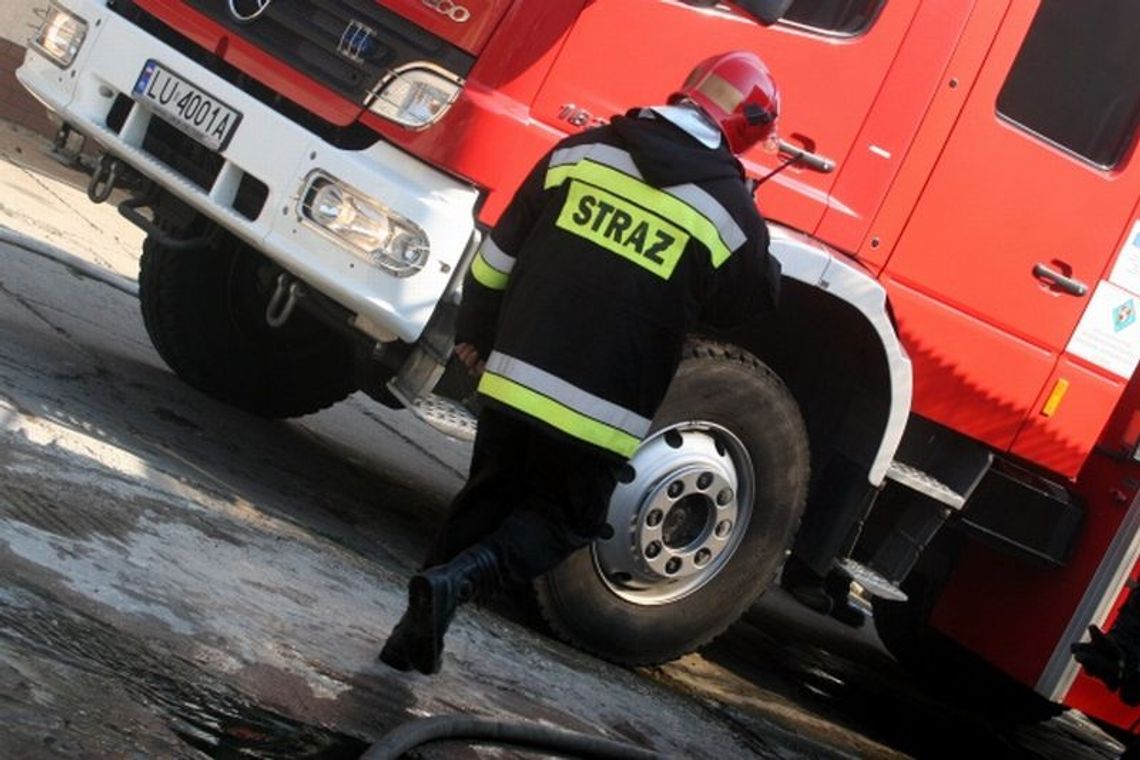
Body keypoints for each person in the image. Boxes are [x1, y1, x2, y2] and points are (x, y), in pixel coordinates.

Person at [379, 50, 784, 676]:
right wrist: (749, 209)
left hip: (513, 380)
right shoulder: (729, 211)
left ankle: (409, 640)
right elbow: (752, 302)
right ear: (748, 131)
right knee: (562, 521)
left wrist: (476, 337)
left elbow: (494, 261)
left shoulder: (581, 152)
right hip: (601, 411)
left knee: (483, 502)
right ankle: (460, 581)